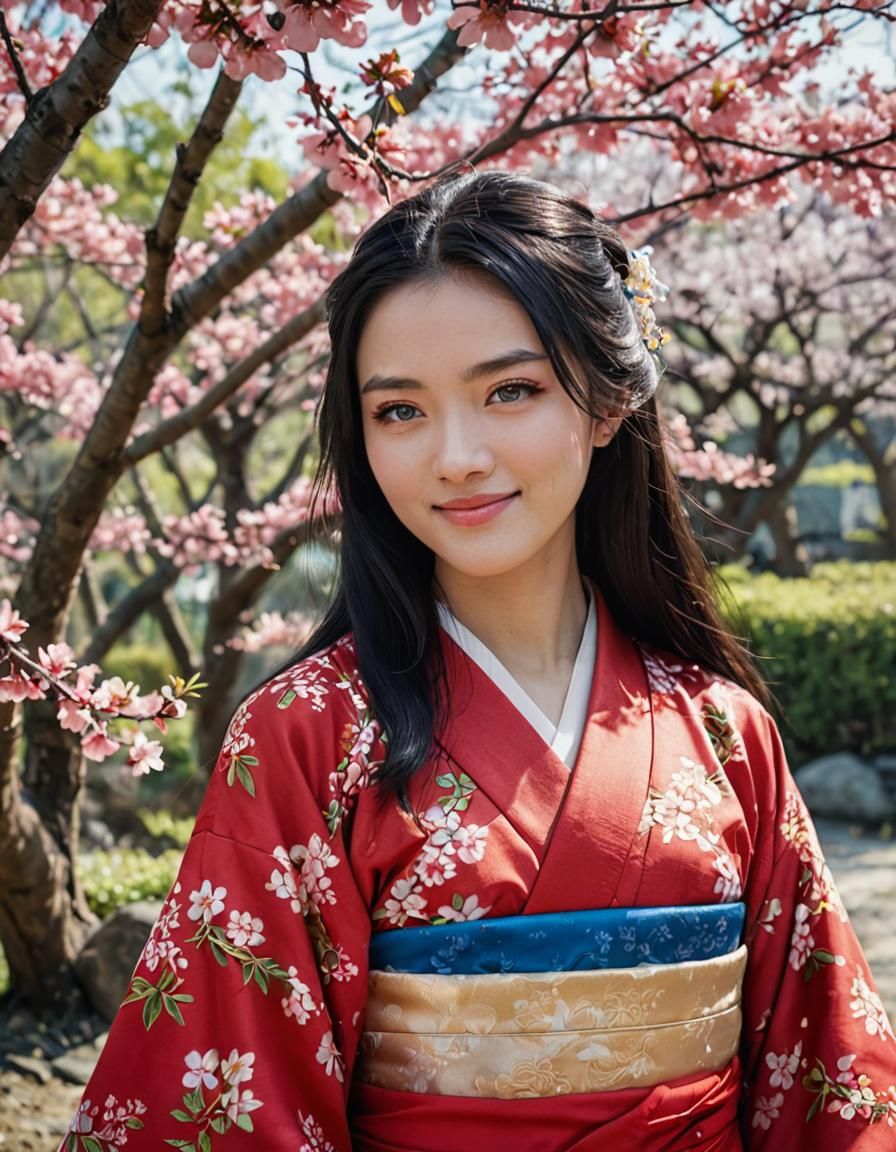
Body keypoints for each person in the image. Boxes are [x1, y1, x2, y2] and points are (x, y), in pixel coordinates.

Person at [61, 171, 895, 1152]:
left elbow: (827, 1083)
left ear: (606, 401)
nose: (455, 456)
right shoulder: (306, 735)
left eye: (510, 391)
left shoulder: (724, 731)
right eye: (399, 411)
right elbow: (230, 1097)